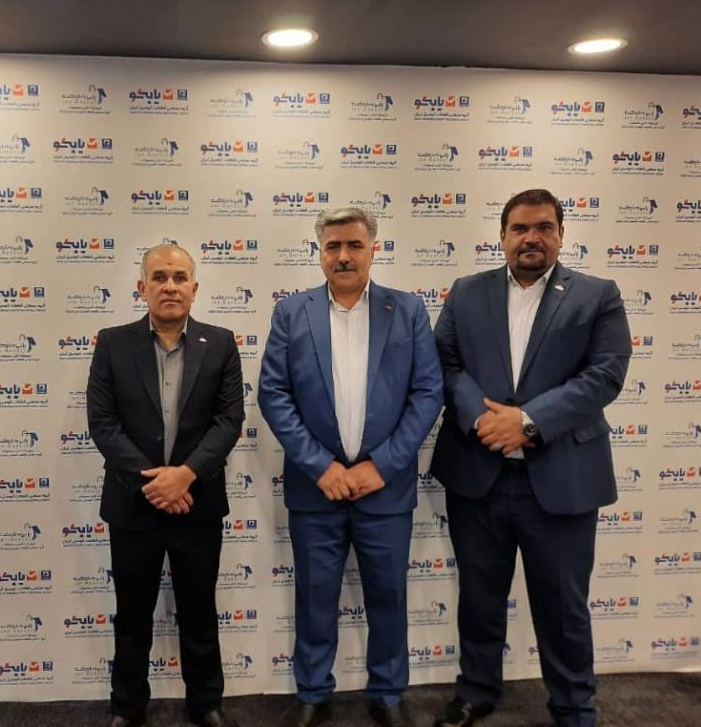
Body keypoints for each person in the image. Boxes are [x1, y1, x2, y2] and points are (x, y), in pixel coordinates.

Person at [429, 188, 631, 727]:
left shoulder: (597, 296)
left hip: (562, 479)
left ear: (561, 235)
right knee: (479, 596)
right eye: (520, 228)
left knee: (563, 606)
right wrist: (482, 419)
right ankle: (476, 691)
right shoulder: (467, 292)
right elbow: (444, 363)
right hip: (479, 476)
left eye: (544, 227)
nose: (531, 238)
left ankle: (573, 706)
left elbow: (605, 374)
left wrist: (527, 422)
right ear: (502, 236)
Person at [258, 208, 443, 727]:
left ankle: (388, 694)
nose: (343, 256)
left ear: (373, 249)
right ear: (319, 253)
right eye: (333, 246)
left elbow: (428, 393)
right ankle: (313, 692)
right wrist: (321, 467)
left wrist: (382, 466)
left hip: (385, 488)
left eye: (354, 245)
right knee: (315, 598)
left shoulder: (407, 310)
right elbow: (274, 394)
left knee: (389, 597)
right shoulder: (291, 313)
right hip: (316, 489)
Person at [87, 243, 245, 727]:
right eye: (159, 277)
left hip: (197, 503)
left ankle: (206, 703)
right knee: (132, 614)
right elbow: (103, 423)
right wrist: (155, 483)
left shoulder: (221, 344)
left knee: (199, 611)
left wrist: (185, 475)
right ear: (142, 287)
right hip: (134, 505)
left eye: (179, 278)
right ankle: (127, 706)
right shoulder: (112, 343)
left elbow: (228, 421)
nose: (170, 286)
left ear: (194, 288)